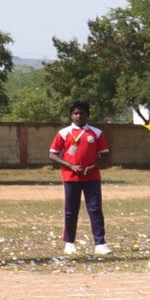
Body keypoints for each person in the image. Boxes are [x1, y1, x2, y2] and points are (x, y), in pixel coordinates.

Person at [50, 101, 112, 256]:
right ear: (71, 115)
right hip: (70, 177)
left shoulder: (96, 133)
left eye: (82, 113)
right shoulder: (64, 133)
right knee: (71, 210)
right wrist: (70, 165)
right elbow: (53, 154)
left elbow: (105, 155)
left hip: (92, 177)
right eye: (76, 113)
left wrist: (94, 167)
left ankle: (100, 244)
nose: (79, 116)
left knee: (95, 209)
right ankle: (69, 243)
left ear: (87, 115)